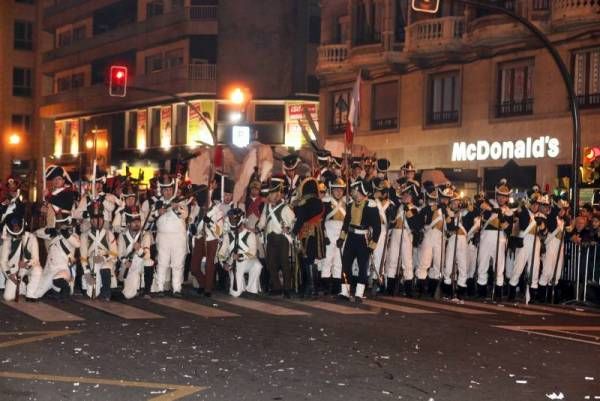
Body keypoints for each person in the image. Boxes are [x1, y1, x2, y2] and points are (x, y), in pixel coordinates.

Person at [336, 178, 381, 302]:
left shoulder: (371, 205)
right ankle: (344, 292)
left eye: (356, 190)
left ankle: (359, 293)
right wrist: (341, 238)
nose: (353, 193)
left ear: (362, 191)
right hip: (351, 238)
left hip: (363, 239)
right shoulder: (351, 205)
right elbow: (346, 224)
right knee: (345, 264)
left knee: (362, 267)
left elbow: (377, 228)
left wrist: (372, 245)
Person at [257, 179, 296, 297]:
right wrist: (258, 227)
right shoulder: (266, 207)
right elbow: (262, 221)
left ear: (279, 194)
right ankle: (276, 287)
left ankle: (287, 288)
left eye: (275, 193)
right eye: (271, 193)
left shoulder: (285, 207)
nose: (273, 196)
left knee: (284, 263)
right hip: (270, 237)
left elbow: (293, 220)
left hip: (282, 238)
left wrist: (288, 228)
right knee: (271, 263)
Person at [507, 189, 547, 302]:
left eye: (537, 204)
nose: (535, 206)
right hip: (524, 241)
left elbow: (544, 232)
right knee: (518, 267)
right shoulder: (524, 212)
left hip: (536, 241)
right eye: (533, 204)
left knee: (534, 268)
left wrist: (542, 226)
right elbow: (523, 226)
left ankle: (532, 297)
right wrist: (534, 220)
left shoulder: (541, 215)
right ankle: (512, 295)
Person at [154, 174, 189, 297]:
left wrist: (175, 208)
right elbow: (149, 218)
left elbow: (184, 215)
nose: (167, 192)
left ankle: (177, 289)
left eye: (169, 189)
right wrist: (158, 212)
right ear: (162, 191)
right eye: (165, 190)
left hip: (178, 237)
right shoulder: (157, 203)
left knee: (177, 264)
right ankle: (160, 288)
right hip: (163, 237)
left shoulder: (180, 201)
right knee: (162, 263)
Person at [385, 180, 422, 297]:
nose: (405, 196)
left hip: (406, 235)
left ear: (412, 197)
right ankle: (390, 289)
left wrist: (409, 212)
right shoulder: (397, 206)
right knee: (392, 260)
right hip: (396, 233)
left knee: (407, 262)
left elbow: (417, 226)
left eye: (408, 195)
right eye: (404, 194)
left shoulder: (415, 209)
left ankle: (408, 289)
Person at [292, 177, 326, 298]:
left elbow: (300, 219)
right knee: (312, 260)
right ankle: (313, 288)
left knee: (307, 260)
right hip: (317, 233)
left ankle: (311, 288)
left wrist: (294, 232)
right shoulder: (318, 201)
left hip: (307, 234)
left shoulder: (304, 202)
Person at [34, 211, 80, 300]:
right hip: (50, 269)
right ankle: (55, 290)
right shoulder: (54, 234)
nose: (59, 224)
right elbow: (37, 233)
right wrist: (48, 230)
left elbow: (77, 244)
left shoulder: (72, 235)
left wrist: (65, 233)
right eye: (58, 222)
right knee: (36, 294)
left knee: (58, 279)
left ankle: (64, 289)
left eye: (61, 222)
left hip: (63, 269)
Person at [190, 180, 224, 298]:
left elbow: (220, 230)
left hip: (211, 239)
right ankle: (203, 284)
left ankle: (208, 288)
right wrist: (192, 228)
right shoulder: (196, 208)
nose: (197, 198)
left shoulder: (216, 210)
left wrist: (210, 223)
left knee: (209, 265)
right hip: (200, 238)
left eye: (199, 196)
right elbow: (191, 220)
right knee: (194, 268)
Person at [218, 208, 262, 297]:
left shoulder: (250, 234)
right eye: (231, 218)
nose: (233, 220)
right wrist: (224, 263)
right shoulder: (227, 235)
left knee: (257, 265)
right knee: (235, 293)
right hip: (234, 264)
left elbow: (252, 252)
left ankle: (252, 289)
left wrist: (240, 256)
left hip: (248, 261)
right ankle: (240, 285)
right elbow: (221, 253)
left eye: (235, 218)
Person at [80, 201, 118, 301]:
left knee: (105, 267)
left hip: (107, 261)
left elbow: (115, 254)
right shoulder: (84, 236)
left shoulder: (109, 234)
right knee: (90, 292)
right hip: (91, 263)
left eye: (100, 219)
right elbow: (83, 256)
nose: (98, 221)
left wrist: (105, 254)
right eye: (95, 219)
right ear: (91, 220)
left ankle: (106, 293)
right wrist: (86, 269)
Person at [1, 212, 41, 302]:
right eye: (13, 226)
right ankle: (22, 286)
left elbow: (36, 259)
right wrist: (10, 275)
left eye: (17, 225)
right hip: (14, 271)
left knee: (37, 269)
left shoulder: (31, 238)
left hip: (28, 267)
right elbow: (3, 262)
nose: (15, 228)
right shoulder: (8, 240)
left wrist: (26, 263)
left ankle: (30, 294)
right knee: (8, 297)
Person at [119, 206, 154, 299]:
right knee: (128, 295)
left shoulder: (145, 235)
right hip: (129, 265)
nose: (137, 224)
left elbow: (146, 255)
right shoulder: (122, 236)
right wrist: (125, 261)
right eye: (134, 222)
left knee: (149, 262)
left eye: (138, 222)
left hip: (141, 263)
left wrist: (139, 250)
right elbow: (120, 254)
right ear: (129, 223)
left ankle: (147, 291)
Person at [321, 177, 346, 295]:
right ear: (332, 190)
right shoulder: (326, 201)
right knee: (327, 260)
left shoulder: (346, 203)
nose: (339, 192)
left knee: (339, 261)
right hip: (329, 232)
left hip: (341, 233)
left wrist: (342, 237)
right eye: (336, 189)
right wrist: (324, 236)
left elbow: (347, 222)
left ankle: (336, 287)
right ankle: (325, 286)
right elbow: (321, 221)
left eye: (341, 190)